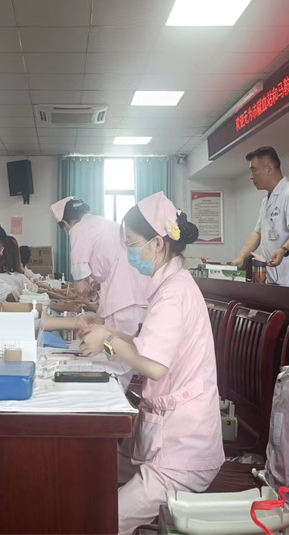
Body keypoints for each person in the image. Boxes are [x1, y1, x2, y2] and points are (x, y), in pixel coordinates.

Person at [79, 192, 224, 534]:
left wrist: (109, 342)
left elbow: (154, 366)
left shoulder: (174, 293)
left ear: (157, 244)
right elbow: (147, 346)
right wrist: (109, 331)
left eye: (132, 244)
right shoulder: (169, 285)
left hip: (183, 452)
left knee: (102, 519)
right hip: (164, 436)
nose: (129, 252)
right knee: (88, 474)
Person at [50, 197, 148, 336]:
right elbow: (107, 262)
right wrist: (93, 287)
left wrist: (80, 294)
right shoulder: (101, 223)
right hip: (139, 292)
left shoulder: (78, 229)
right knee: (134, 341)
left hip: (123, 298)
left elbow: (80, 286)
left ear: (65, 224)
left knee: (118, 343)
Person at [231, 146, 289, 289]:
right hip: (272, 279)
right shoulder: (266, 201)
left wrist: (283, 250)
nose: (251, 176)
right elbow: (257, 233)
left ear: (269, 168)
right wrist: (242, 256)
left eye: (254, 170)